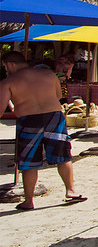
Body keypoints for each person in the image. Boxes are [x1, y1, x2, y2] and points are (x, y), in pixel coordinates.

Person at [0, 51, 86, 210]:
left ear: (10, 64)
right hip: (53, 116)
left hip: (28, 119)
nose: (5, 69)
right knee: (63, 155)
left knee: (29, 162)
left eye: (5, 66)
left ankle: (29, 201)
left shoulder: (8, 81)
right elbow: (58, 95)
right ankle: (71, 190)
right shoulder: (49, 74)